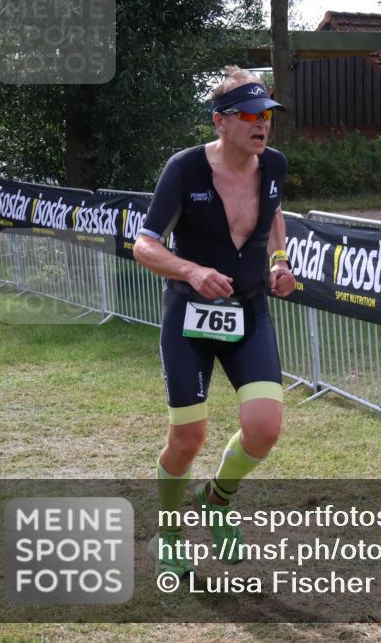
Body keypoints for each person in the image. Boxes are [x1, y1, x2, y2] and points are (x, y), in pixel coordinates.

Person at [133, 66, 296, 578]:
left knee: (264, 429)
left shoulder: (274, 165)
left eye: (266, 114)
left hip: (249, 311)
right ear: (220, 122)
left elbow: (272, 213)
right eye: (249, 114)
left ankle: (218, 500)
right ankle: (170, 530)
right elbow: (145, 244)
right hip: (190, 317)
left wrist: (279, 261)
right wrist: (193, 270)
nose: (261, 124)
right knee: (187, 439)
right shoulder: (183, 169)